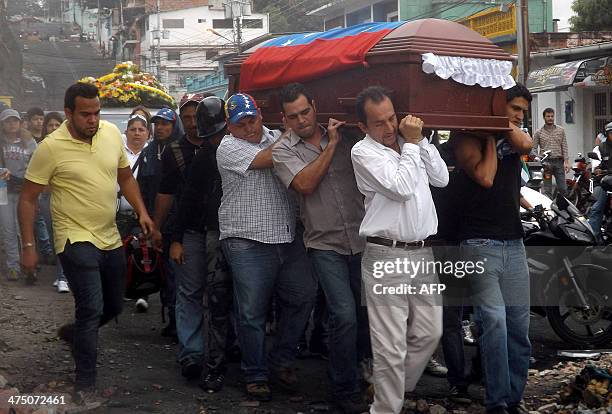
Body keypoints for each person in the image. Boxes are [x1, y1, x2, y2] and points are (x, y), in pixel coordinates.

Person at [18, 82, 155, 401]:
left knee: (113, 303)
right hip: (74, 237)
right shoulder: (50, 147)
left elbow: (125, 177)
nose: (92, 120)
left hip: (109, 235)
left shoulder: (109, 134)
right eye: (85, 115)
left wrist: (143, 213)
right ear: (68, 113)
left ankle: (75, 334)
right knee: (91, 306)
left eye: (96, 113)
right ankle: (85, 383)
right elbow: (27, 199)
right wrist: (29, 247)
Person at [271, 83, 369, 413]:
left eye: (305, 112)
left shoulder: (347, 133)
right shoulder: (284, 149)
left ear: (315, 105)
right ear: (284, 119)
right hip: (323, 243)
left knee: (363, 312)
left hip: (362, 237)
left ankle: (361, 370)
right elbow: (305, 184)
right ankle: (344, 389)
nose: (301, 120)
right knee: (343, 313)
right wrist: (331, 147)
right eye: (293, 116)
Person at [350, 86, 448, 414]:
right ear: (363, 127)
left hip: (422, 253)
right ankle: (385, 407)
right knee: (390, 347)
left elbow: (442, 178)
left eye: (392, 117)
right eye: (378, 123)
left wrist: (421, 140)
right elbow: (402, 188)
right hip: (386, 254)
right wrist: (412, 146)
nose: (389, 127)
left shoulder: (411, 144)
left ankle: (387, 389)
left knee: (429, 332)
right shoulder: (363, 152)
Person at [217, 93, 316, 402]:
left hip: (287, 236)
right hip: (246, 240)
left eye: (253, 119)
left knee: (304, 295)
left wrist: (289, 130)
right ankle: (255, 373)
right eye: (241, 124)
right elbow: (269, 158)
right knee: (251, 312)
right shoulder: (227, 147)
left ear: (261, 113)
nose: (249, 128)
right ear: (229, 127)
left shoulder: (276, 136)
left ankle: (282, 360)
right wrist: (291, 132)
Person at [451, 82, 533, 414]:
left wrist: (503, 123)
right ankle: (497, 401)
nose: (518, 116)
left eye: (522, 112)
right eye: (513, 108)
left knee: (519, 327)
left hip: (514, 243)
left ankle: (514, 398)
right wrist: (488, 132)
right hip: (478, 243)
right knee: (494, 322)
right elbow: (484, 177)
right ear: (497, 104)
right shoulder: (465, 138)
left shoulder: (515, 136)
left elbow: (526, 141)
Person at [170, 96, 233, 393]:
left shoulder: (242, 150)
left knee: (227, 298)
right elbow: (185, 201)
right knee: (192, 292)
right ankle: (192, 355)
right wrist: (176, 239)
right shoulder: (202, 158)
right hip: (196, 233)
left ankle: (228, 351)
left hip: (231, 234)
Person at [152, 93, 210, 371]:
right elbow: (166, 192)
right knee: (189, 291)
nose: (191, 123)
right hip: (188, 229)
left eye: (195, 116)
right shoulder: (174, 151)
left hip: (220, 230)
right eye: (186, 118)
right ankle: (191, 353)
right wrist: (157, 228)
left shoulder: (222, 144)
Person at [137, 107, 181, 336]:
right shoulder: (149, 151)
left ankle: (177, 322)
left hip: (177, 224)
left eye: (166, 123)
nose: (160, 128)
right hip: (155, 223)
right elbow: (143, 188)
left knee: (176, 276)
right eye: (158, 124)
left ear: (175, 126)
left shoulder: (181, 149)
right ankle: (169, 317)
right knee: (162, 274)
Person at [0, 109, 37, 282]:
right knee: (8, 229)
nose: (12, 124)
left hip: (24, 190)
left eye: (15, 121)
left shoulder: (29, 142)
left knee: (26, 229)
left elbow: (37, 164)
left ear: (20, 123)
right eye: (8, 121)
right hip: (3, 191)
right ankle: (13, 266)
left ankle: (29, 266)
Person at [39, 111, 69, 292]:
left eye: (57, 125)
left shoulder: (69, 147)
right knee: (55, 239)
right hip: (47, 198)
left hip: (66, 199)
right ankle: (61, 274)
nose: (54, 128)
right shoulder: (42, 147)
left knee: (64, 238)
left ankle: (63, 277)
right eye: (50, 125)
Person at [532, 108, 568, 197]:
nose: (550, 118)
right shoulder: (538, 132)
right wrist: (536, 159)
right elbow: (534, 148)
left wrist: (566, 162)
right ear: (544, 117)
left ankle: (560, 206)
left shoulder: (561, 130)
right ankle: (549, 208)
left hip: (559, 162)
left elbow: (564, 146)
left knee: (563, 187)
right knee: (547, 188)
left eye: (552, 116)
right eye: (548, 116)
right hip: (546, 163)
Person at [588, 121, 612, 235]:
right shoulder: (601, 148)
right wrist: (597, 168)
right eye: (611, 132)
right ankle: (593, 237)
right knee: (596, 208)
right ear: (607, 134)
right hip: (604, 181)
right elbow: (597, 164)